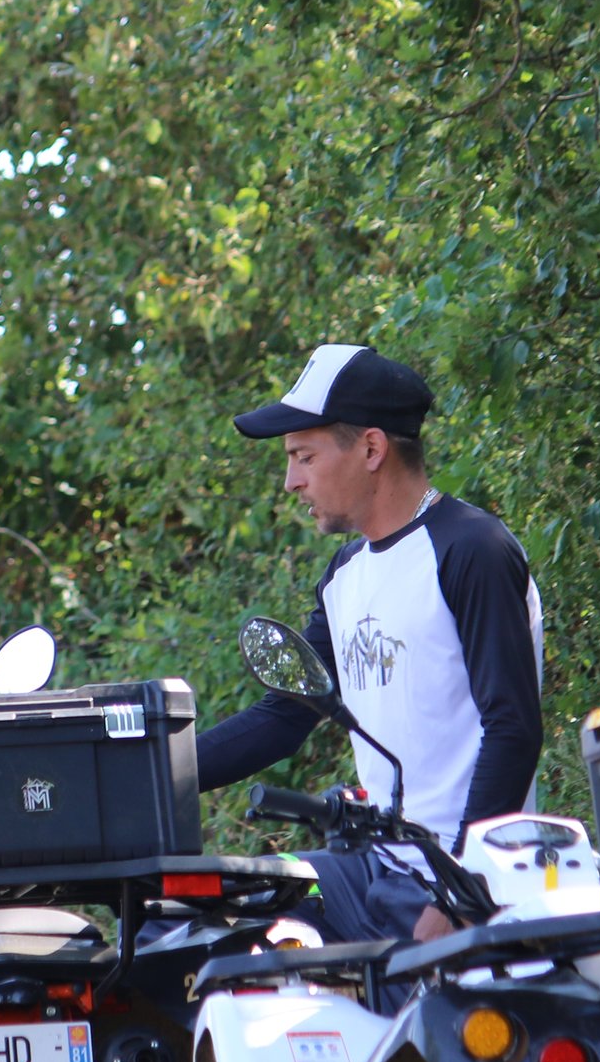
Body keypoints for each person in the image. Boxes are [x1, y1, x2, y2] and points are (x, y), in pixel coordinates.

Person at [199, 342, 543, 946]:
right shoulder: (345, 573)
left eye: (303, 456)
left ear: (372, 448)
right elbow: (286, 716)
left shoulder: (471, 551)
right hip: (375, 869)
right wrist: (152, 771)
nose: (290, 481)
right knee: (218, 924)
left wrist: (459, 890)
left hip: (461, 878)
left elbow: (513, 727)